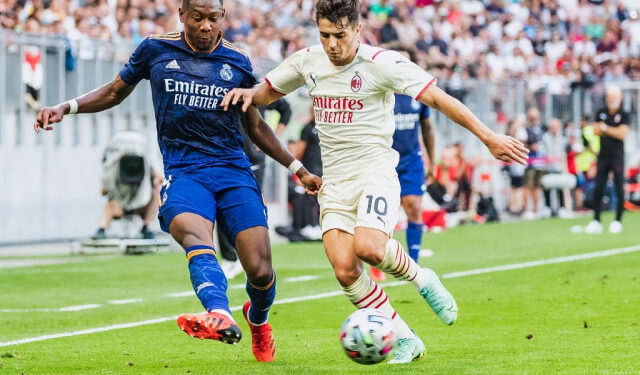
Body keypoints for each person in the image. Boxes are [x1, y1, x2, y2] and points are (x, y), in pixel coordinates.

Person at [222, 0, 528, 364]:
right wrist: (247, 93)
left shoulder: (383, 63)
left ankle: (421, 278)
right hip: (334, 182)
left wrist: (488, 136)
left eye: (339, 35)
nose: (331, 44)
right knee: (344, 269)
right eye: (324, 35)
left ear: (356, 29)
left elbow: (438, 98)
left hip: (376, 173)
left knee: (368, 247)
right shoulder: (307, 60)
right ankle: (405, 337)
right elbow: (267, 93)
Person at [34, 0, 321, 363]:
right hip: (184, 172)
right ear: (182, 15)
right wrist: (66, 107)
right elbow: (113, 91)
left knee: (260, 270)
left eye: (212, 18)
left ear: (222, 19)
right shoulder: (155, 50)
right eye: (197, 17)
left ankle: (257, 319)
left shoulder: (238, 61)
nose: (204, 26)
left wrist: (299, 169)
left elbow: (257, 126)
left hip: (233, 171)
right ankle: (219, 312)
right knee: (194, 235)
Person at [371, 44, 434, 283]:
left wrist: (431, 158)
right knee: (383, 214)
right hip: (384, 159)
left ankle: (414, 264)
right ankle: (378, 263)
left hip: (411, 159)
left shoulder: (418, 94)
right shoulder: (379, 93)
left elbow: (427, 128)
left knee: (414, 206)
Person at [218, 97, 292, 279]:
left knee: (252, 209)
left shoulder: (254, 89)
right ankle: (230, 259)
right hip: (224, 158)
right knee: (221, 208)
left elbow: (286, 108)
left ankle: (255, 259)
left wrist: (272, 137)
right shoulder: (216, 84)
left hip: (253, 161)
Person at [92, 131, 163, 240]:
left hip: (141, 204)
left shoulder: (147, 166)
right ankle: (101, 229)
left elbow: (160, 180)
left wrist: (154, 181)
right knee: (110, 206)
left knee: (157, 191)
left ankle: (146, 227)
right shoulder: (113, 168)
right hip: (120, 205)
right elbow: (103, 191)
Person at [585, 85, 629, 234]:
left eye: (615, 96)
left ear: (620, 97)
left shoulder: (624, 114)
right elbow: (595, 129)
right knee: (598, 188)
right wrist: (611, 130)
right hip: (602, 156)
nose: (612, 99)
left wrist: (605, 129)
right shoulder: (601, 112)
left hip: (617, 157)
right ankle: (596, 220)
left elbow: (622, 134)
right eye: (610, 96)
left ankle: (618, 220)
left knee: (618, 188)